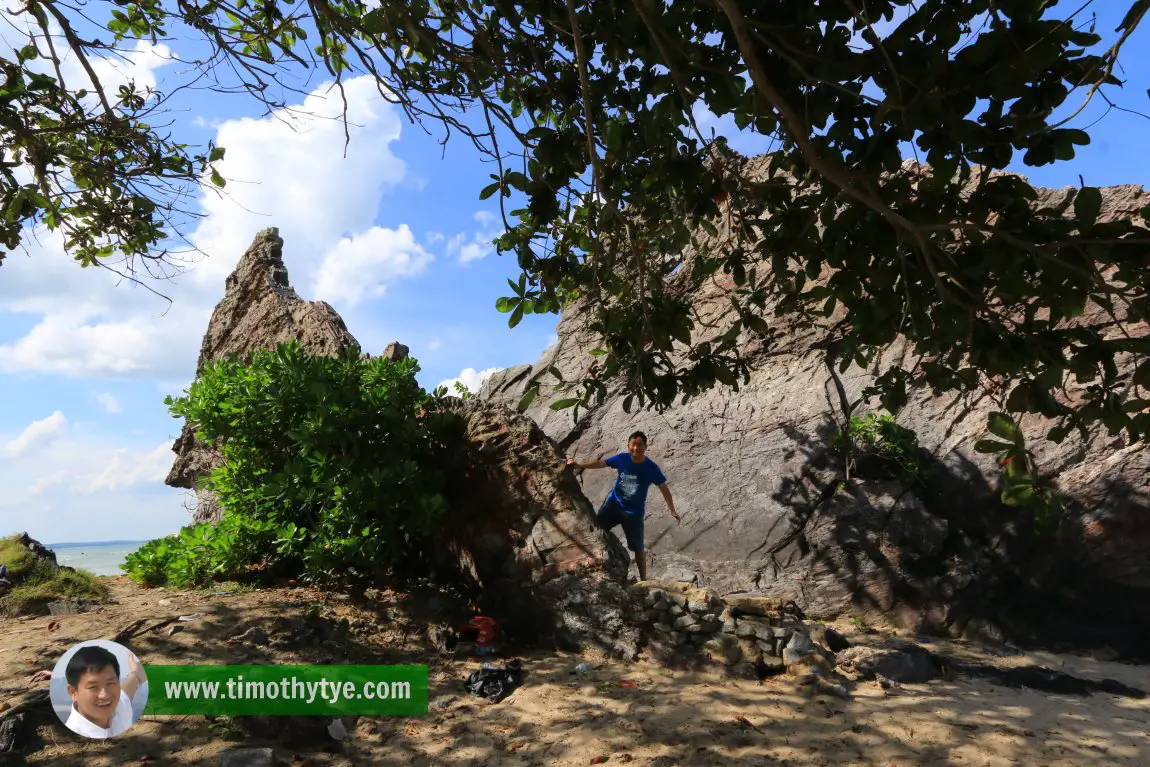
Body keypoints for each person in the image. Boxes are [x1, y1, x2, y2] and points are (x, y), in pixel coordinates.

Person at [567, 430, 680, 581]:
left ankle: (644, 580)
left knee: (638, 547)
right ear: (628, 446)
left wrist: (672, 509)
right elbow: (602, 463)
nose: (636, 448)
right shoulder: (622, 459)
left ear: (645, 446)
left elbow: (663, 487)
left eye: (639, 445)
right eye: (633, 445)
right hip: (613, 506)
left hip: (633, 513)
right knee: (597, 530)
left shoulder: (651, 468)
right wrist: (580, 465)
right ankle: (591, 564)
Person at [63, 645, 146, 739]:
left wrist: (136, 672)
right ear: (73, 692)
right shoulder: (75, 735)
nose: (105, 695)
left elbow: (130, 685)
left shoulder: (118, 707)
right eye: (93, 687)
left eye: (110, 683)